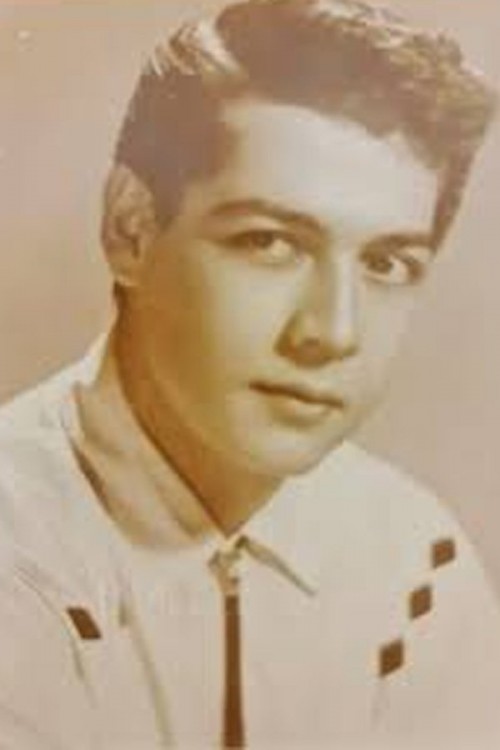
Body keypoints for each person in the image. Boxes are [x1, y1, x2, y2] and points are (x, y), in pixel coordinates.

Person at [0, 0, 498, 747]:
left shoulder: (414, 566)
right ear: (131, 229)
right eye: (270, 242)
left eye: (386, 263)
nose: (332, 332)